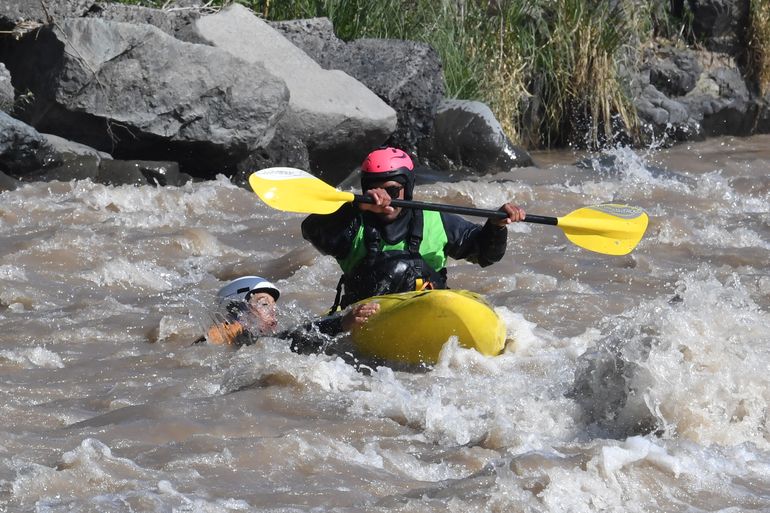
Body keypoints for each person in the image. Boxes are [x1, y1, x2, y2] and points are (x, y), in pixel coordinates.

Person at [301, 147, 526, 310]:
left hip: (427, 310)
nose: (383, 198)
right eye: (374, 190)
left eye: (392, 190)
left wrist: (496, 226)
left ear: (408, 188)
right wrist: (354, 207)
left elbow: (486, 254)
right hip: (366, 316)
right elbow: (311, 230)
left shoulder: (436, 219)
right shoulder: (351, 223)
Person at [198, 275, 379, 350]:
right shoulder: (220, 335)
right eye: (264, 305)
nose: (273, 315)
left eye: (273, 307)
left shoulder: (253, 342)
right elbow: (293, 338)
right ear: (236, 309)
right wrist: (340, 324)